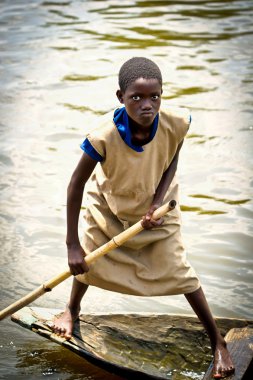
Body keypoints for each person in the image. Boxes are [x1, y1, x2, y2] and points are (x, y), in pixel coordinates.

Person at [52, 57, 234, 378]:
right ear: (120, 97)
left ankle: (218, 342)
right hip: (110, 203)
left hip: (159, 207)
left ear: (163, 95)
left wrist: (157, 202)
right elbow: (75, 185)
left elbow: (171, 159)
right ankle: (72, 309)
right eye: (136, 97)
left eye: (155, 97)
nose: (147, 105)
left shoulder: (175, 123)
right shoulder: (102, 135)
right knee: (88, 261)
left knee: (180, 271)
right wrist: (72, 244)